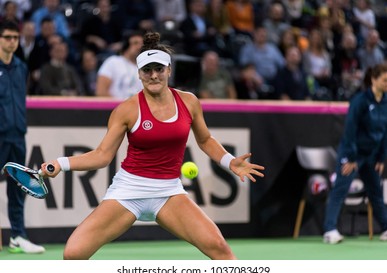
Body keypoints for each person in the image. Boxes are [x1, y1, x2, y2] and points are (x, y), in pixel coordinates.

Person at [40, 31, 265, 260]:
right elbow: (102, 155)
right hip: (129, 190)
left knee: (221, 250)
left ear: (169, 70)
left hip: (168, 192)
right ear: (139, 74)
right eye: (147, 70)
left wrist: (229, 161)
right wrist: (61, 163)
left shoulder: (189, 102)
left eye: (159, 69)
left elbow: (205, 140)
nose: (154, 75)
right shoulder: (126, 109)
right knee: (73, 254)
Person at [323, 63, 387, 244]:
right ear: (374, 79)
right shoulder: (360, 101)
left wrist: (381, 156)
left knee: (375, 190)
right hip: (352, 154)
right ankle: (330, 231)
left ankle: (385, 228)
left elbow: (385, 132)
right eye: (384, 80)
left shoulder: (386, 102)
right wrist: (351, 157)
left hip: (372, 155)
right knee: (340, 189)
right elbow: (350, 130)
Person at [0, 20, 45, 253]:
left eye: (15, 38)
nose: (12, 41)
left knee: (18, 187)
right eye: (7, 37)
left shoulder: (20, 66)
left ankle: (18, 236)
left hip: (18, 136)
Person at [95, 31, 143, 98]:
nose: (139, 47)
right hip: (113, 107)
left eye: (141, 44)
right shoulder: (113, 62)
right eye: (135, 43)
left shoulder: (145, 68)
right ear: (126, 45)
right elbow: (101, 92)